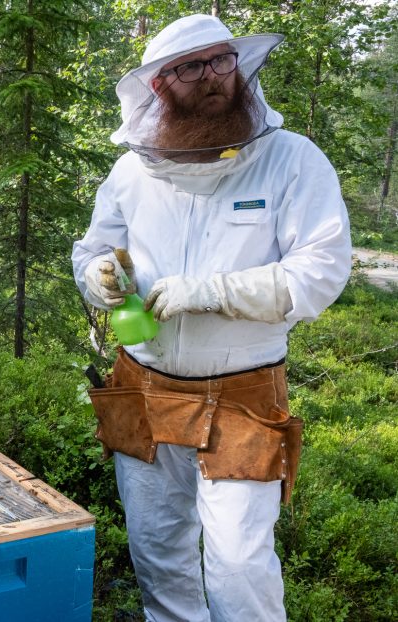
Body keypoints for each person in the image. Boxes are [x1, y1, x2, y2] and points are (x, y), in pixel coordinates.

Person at [71, 14, 352, 622]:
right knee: (157, 552)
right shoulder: (130, 172)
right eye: (189, 67)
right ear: (158, 86)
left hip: (242, 397)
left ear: (240, 66)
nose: (211, 78)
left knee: (238, 564)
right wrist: (97, 278)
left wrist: (213, 292)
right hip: (141, 387)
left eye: (220, 60)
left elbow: (321, 272)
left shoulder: (292, 162)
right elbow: (93, 249)